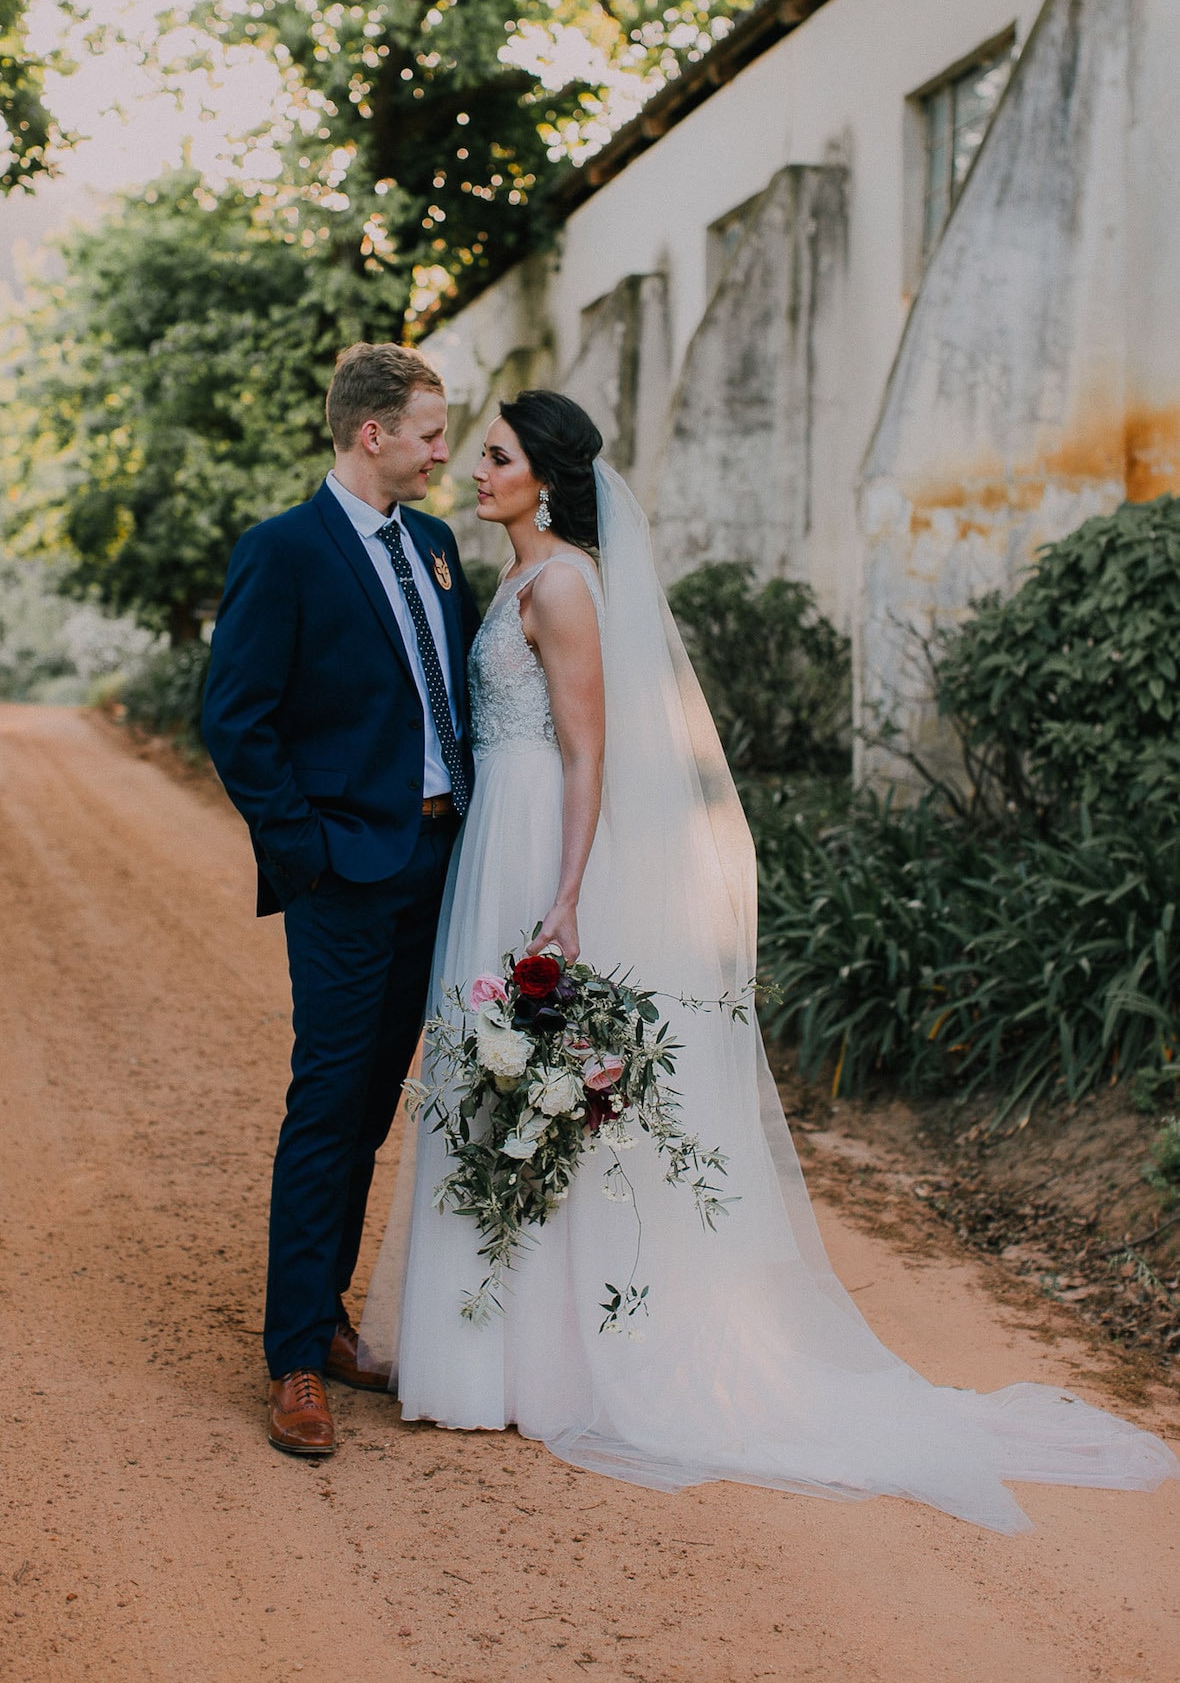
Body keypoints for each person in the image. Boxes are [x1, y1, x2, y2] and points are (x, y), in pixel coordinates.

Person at [362, 389, 1178, 1532]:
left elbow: (590, 754)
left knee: (537, 1083)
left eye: (493, 455)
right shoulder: (506, 576)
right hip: (494, 831)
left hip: (538, 840)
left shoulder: (562, 585)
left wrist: (564, 895)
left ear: (543, 477)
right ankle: (483, 1351)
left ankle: (540, 1367)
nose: (473, 469)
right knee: (496, 1081)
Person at [202, 341, 481, 1460]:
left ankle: (326, 1318)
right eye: (428, 431)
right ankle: (292, 1362)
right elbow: (236, 718)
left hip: (436, 865)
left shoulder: (439, 546)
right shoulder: (283, 551)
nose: (441, 450)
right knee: (325, 1106)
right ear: (372, 434)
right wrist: (306, 850)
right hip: (344, 874)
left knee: (373, 1106)